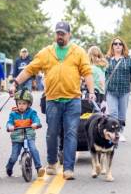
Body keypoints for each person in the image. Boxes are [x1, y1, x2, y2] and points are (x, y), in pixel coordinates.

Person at [11, 21, 94, 180]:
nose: (60, 36)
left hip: (73, 100)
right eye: (58, 33)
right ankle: (52, 162)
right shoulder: (46, 52)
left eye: (63, 33)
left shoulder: (78, 52)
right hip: (53, 100)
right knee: (52, 133)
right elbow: (30, 69)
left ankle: (68, 168)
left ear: (69, 35)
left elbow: (87, 72)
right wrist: (15, 83)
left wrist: (91, 92)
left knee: (70, 133)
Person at [105, 37, 131, 143]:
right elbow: (102, 74)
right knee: (113, 113)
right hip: (111, 91)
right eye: (115, 44)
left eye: (120, 44)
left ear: (123, 46)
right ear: (112, 46)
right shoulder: (107, 60)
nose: (117, 46)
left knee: (122, 114)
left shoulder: (128, 60)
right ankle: (115, 133)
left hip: (124, 90)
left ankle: (120, 132)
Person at [6, 89, 45, 178]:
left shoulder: (32, 112)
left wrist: (36, 123)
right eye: (19, 103)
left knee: (33, 149)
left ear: (28, 104)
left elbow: (36, 119)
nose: (21, 106)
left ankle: (39, 168)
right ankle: (9, 167)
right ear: (16, 104)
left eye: (24, 104)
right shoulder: (13, 114)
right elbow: (9, 122)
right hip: (17, 137)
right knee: (14, 156)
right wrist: (10, 126)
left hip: (29, 136)